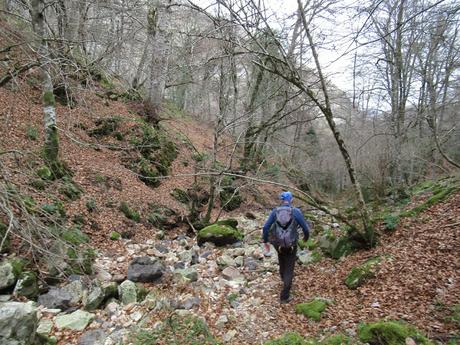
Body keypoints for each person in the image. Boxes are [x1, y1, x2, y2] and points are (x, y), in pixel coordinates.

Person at [262, 191, 310, 303]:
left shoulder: (275, 212)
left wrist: (266, 241)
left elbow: (265, 228)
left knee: (282, 261)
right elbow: (305, 228)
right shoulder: (296, 212)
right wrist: (305, 238)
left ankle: (284, 279)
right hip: (291, 244)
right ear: (291, 200)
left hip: (277, 244)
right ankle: (285, 296)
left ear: (281, 200)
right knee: (289, 267)